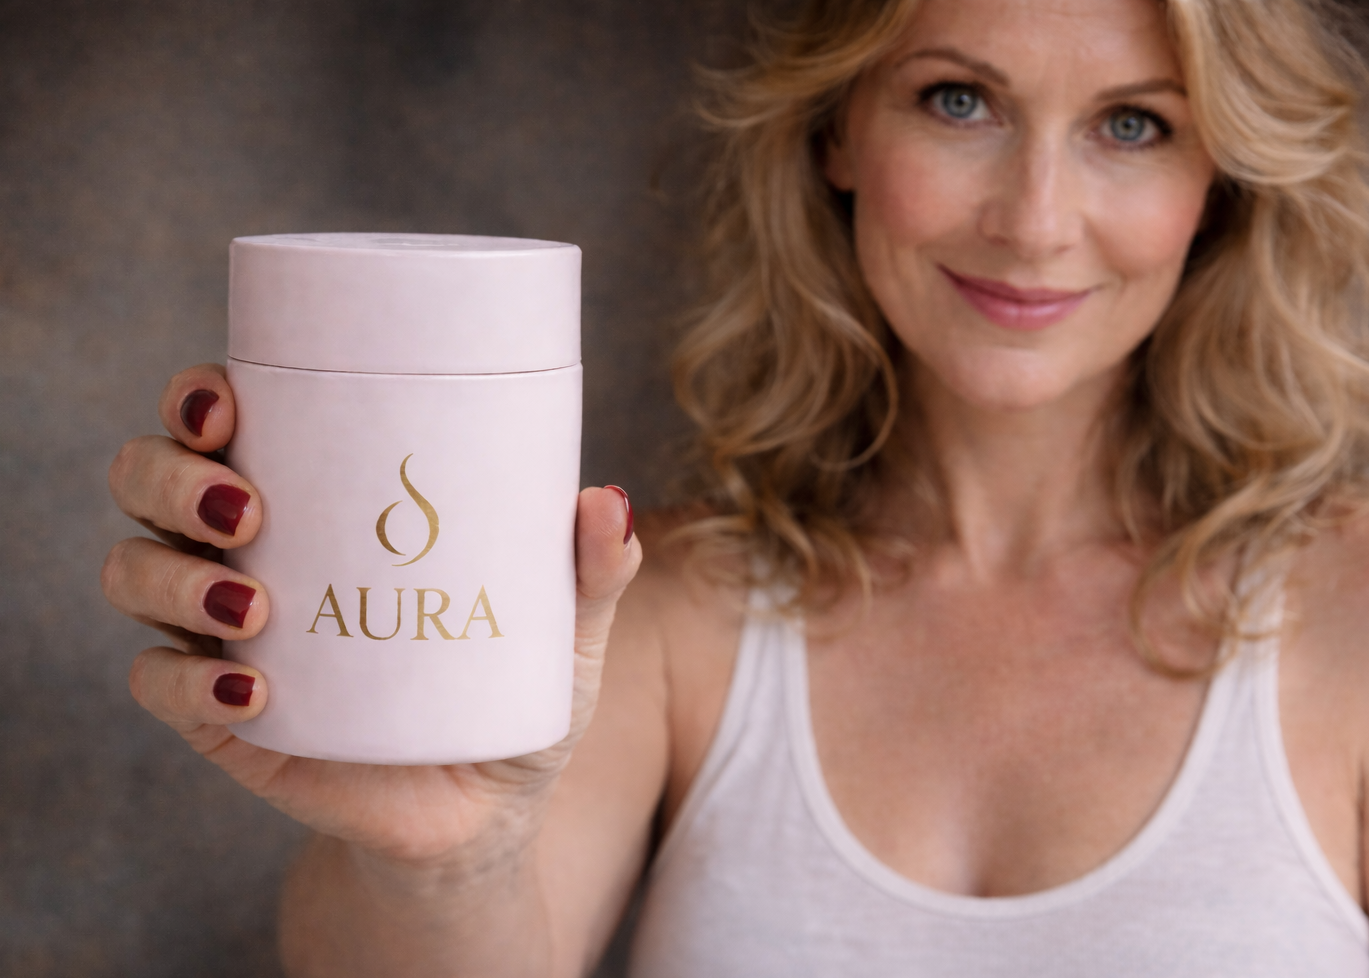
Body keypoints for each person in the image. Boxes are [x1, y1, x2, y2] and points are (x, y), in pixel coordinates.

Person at [102, 0, 1369, 973]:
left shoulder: (1355, 612)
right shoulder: (666, 611)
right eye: (958, 102)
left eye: (1132, 124)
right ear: (837, 130)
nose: (1035, 221)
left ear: (1220, 182)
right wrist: (444, 858)